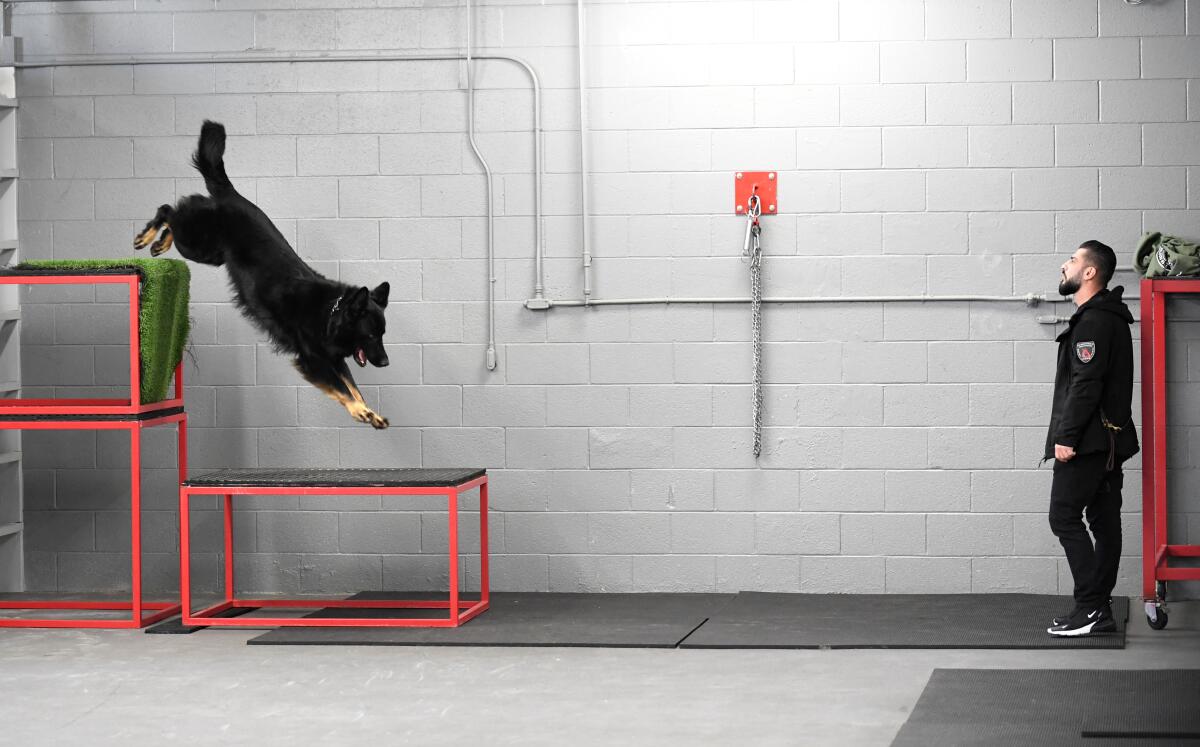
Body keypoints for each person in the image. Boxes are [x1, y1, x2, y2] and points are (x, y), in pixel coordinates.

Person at [1044, 240, 1139, 637]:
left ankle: (1090, 608)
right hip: (1107, 442)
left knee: (1063, 516)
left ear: (1089, 273)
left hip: (1089, 442)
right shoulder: (1106, 317)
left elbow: (1086, 385)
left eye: (1072, 260)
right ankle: (1098, 609)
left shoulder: (1096, 321)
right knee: (1103, 521)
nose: (1063, 265)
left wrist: (1065, 437)